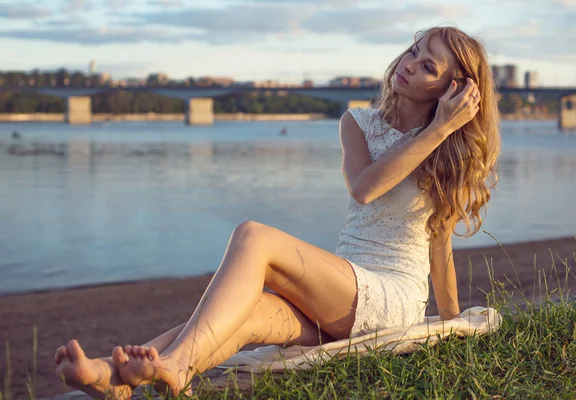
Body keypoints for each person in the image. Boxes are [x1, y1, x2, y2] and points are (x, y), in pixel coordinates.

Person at [54, 26, 501, 399]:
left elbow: (433, 241)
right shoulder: (359, 124)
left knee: (255, 236)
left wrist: (448, 323)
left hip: (392, 298)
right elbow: (366, 182)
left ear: (452, 90)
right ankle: (114, 378)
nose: (410, 63)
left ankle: (172, 365)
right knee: (247, 312)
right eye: (414, 51)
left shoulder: (447, 150)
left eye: (428, 66)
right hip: (343, 288)